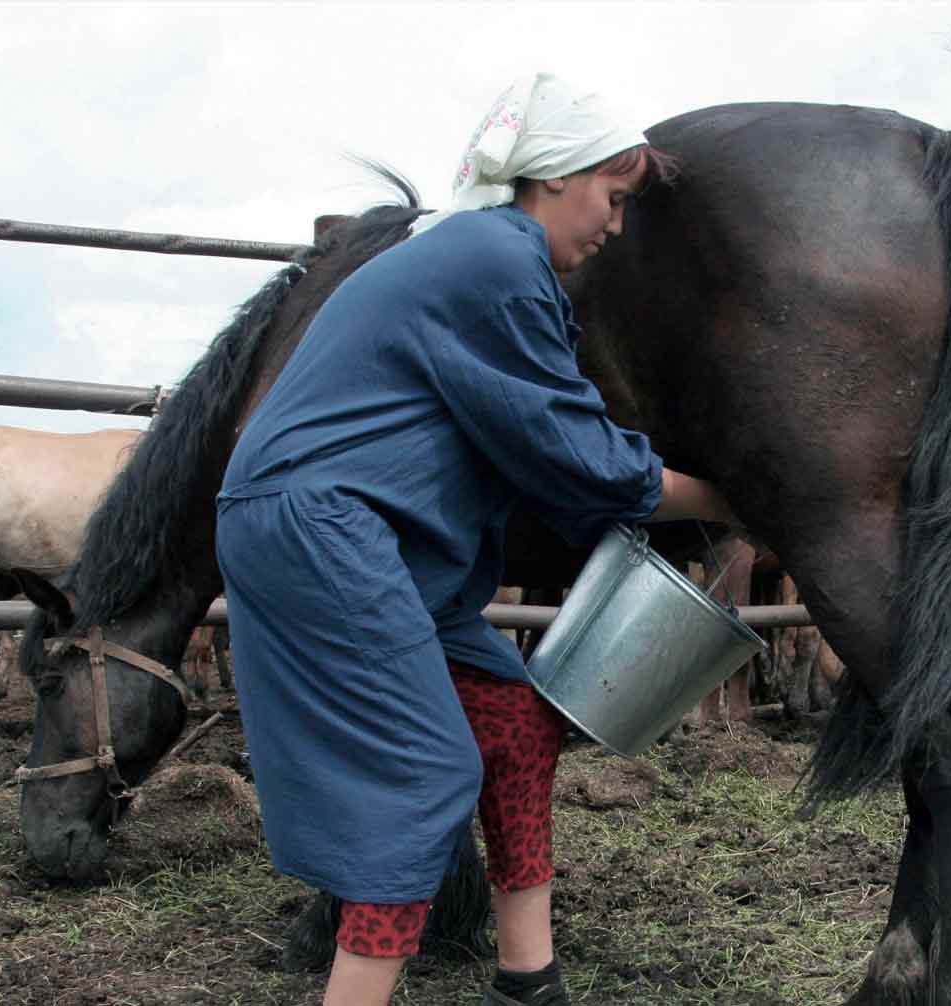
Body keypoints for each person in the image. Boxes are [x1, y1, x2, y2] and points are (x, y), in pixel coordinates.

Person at [215, 73, 736, 1006]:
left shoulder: (480, 258)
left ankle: (528, 981)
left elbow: (537, 452)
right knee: (425, 771)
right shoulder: (496, 258)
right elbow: (574, 451)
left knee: (513, 724)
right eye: (613, 198)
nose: (615, 225)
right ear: (554, 176)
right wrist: (730, 498)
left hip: (378, 540)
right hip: (325, 526)